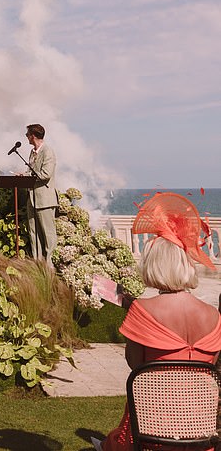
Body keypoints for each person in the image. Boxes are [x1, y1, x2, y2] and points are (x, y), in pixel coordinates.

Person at [92, 192, 221, 451]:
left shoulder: (142, 310)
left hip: (151, 434)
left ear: (154, 266)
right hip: (200, 436)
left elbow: (135, 364)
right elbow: (212, 367)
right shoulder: (214, 316)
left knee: (111, 442)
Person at [23, 123, 57, 263]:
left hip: (45, 199)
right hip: (32, 198)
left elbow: (45, 174)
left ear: (33, 136)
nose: (26, 138)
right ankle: (37, 263)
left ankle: (49, 265)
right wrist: (22, 175)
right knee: (33, 232)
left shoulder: (48, 151)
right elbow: (31, 171)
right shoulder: (32, 152)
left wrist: (28, 178)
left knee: (48, 233)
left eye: (27, 135)